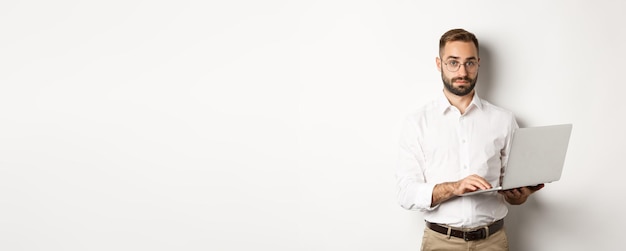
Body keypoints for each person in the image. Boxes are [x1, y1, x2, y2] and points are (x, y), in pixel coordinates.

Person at [395, 28, 544, 251]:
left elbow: (510, 188)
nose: (462, 71)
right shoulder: (417, 123)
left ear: (478, 64)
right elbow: (405, 193)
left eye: (469, 63)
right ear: (439, 64)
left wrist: (519, 195)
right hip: (440, 242)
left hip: (492, 242)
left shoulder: (503, 120)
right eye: (453, 62)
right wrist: (454, 187)